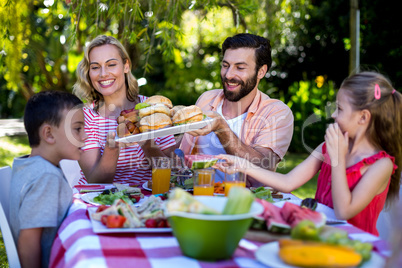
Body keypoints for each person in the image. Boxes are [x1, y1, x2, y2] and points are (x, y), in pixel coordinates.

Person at [214, 71, 401, 236]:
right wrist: (242, 165)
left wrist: (337, 161)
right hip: (319, 235)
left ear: (363, 117)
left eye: (340, 109)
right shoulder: (327, 147)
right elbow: (288, 183)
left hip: (356, 247)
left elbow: (345, 211)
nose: (334, 114)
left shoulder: (380, 165)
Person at [180, 33, 294, 186]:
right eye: (225, 65)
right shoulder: (207, 99)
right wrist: (149, 137)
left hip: (243, 204)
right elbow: (180, 154)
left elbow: (263, 169)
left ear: (261, 71)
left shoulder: (276, 112)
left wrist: (222, 128)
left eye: (240, 68)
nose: (228, 75)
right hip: (198, 196)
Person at [73, 35, 176, 185]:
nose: (103, 73)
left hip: (146, 202)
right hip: (100, 203)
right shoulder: (84, 116)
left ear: (126, 66)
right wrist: (112, 148)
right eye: (95, 67)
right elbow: (96, 182)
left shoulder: (152, 108)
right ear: (89, 72)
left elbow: (172, 172)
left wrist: (146, 142)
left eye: (111, 64)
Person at [9, 91, 87, 268]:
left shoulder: (28, 165)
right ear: (49, 134)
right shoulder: (46, 177)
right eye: (77, 129)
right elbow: (28, 242)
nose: (85, 136)